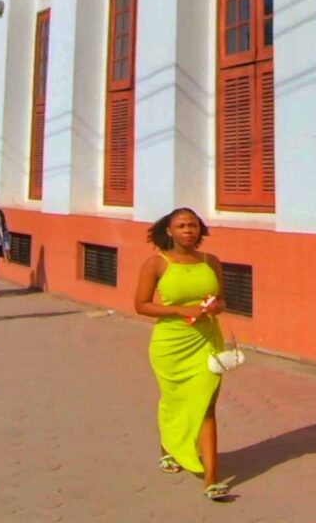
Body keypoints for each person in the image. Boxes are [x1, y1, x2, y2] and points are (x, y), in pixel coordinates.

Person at [132, 207, 232, 501]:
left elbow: (223, 299)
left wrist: (216, 306)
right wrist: (178, 309)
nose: (188, 230)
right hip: (170, 344)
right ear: (169, 231)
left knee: (206, 405)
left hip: (206, 341)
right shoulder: (156, 264)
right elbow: (141, 304)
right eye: (182, 226)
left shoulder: (210, 261)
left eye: (193, 225)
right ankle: (169, 448)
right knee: (174, 400)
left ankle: (211, 479)